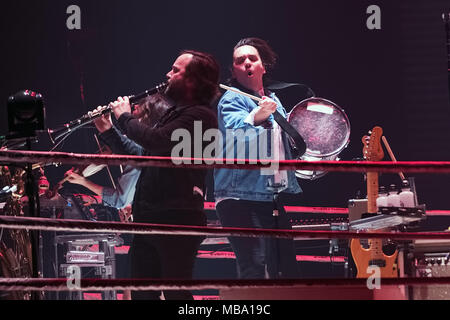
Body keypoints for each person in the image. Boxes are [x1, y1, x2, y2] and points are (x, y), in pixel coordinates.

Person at [94, 50, 219, 300]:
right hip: (151, 216)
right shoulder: (176, 114)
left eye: (175, 70)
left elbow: (154, 140)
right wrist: (108, 131)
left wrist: (124, 116)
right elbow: (143, 153)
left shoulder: (200, 116)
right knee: (143, 294)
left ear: (192, 80)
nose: (167, 74)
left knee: (176, 296)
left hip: (176, 219)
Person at [214, 38, 301, 279]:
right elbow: (237, 132)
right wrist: (257, 116)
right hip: (239, 196)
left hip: (269, 194)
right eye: (240, 61)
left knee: (286, 268)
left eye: (252, 58)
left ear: (263, 66)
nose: (247, 63)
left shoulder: (275, 100)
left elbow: (280, 146)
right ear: (233, 71)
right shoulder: (232, 99)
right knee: (254, 267)